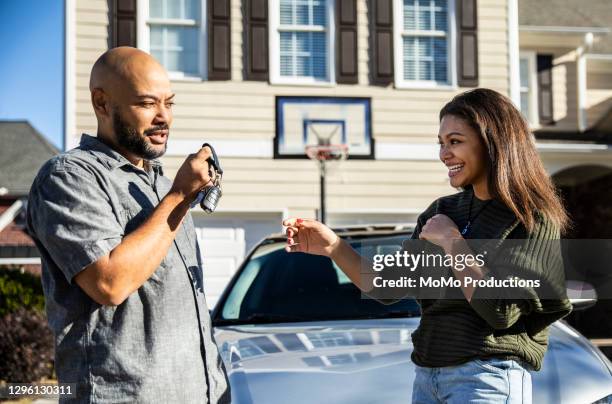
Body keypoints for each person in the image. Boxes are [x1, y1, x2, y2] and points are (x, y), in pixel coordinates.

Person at [283, 88, 572, 403]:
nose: (444, 153)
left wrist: (451, 242)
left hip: (487, 378)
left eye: (455, 141)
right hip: (427, 377)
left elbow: (501, 310)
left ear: (493, 143)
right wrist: (334, 246)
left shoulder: (531, 219)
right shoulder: (440, 212)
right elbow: (384, 286)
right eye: (441, 143)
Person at [27, 47, 230, 403]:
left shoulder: (164, 185)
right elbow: (110, 283)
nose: (163, 117)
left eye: (169, 103)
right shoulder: (68, 178)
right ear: (102, 103)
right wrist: (181, 194)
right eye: (147, 103)